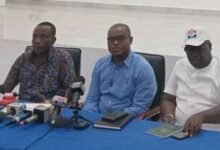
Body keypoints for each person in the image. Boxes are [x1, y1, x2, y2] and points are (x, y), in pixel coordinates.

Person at [83, 23, 157, 116]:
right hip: (97, 117)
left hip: (126, 121)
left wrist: (112, 118)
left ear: (130, 40)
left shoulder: (143, 69)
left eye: (120, 39)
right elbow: (92, 99)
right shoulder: (100, 64)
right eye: (111, 39)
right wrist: (89, 116)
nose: (115, 43)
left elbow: (140, 107)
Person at [160, 26, 220, 137]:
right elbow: (168, 99)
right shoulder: (180, 65)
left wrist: (202, 117)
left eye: (199, 48)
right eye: (190, 49)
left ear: (210, 47)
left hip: (211, 133)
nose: (194, 53)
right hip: (178, 130)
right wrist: (169, 115)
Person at [0, 22, 75, 102]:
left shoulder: (63, 59)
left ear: (53, 40)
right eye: (34, 36)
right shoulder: (23, 59)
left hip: (49, 109)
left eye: (44, 37)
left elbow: (71, 89)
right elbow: (6, 87)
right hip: (22, 108)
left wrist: (58, 100)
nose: (37, 40)